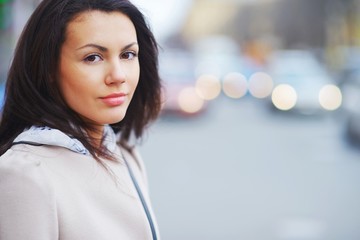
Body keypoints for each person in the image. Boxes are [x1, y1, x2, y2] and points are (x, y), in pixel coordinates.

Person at [0, 0, 162, 239]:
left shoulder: (126, 156)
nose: (118, 76)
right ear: (49, 69)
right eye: (93, 57)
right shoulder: (24, 174)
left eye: (128, 54)